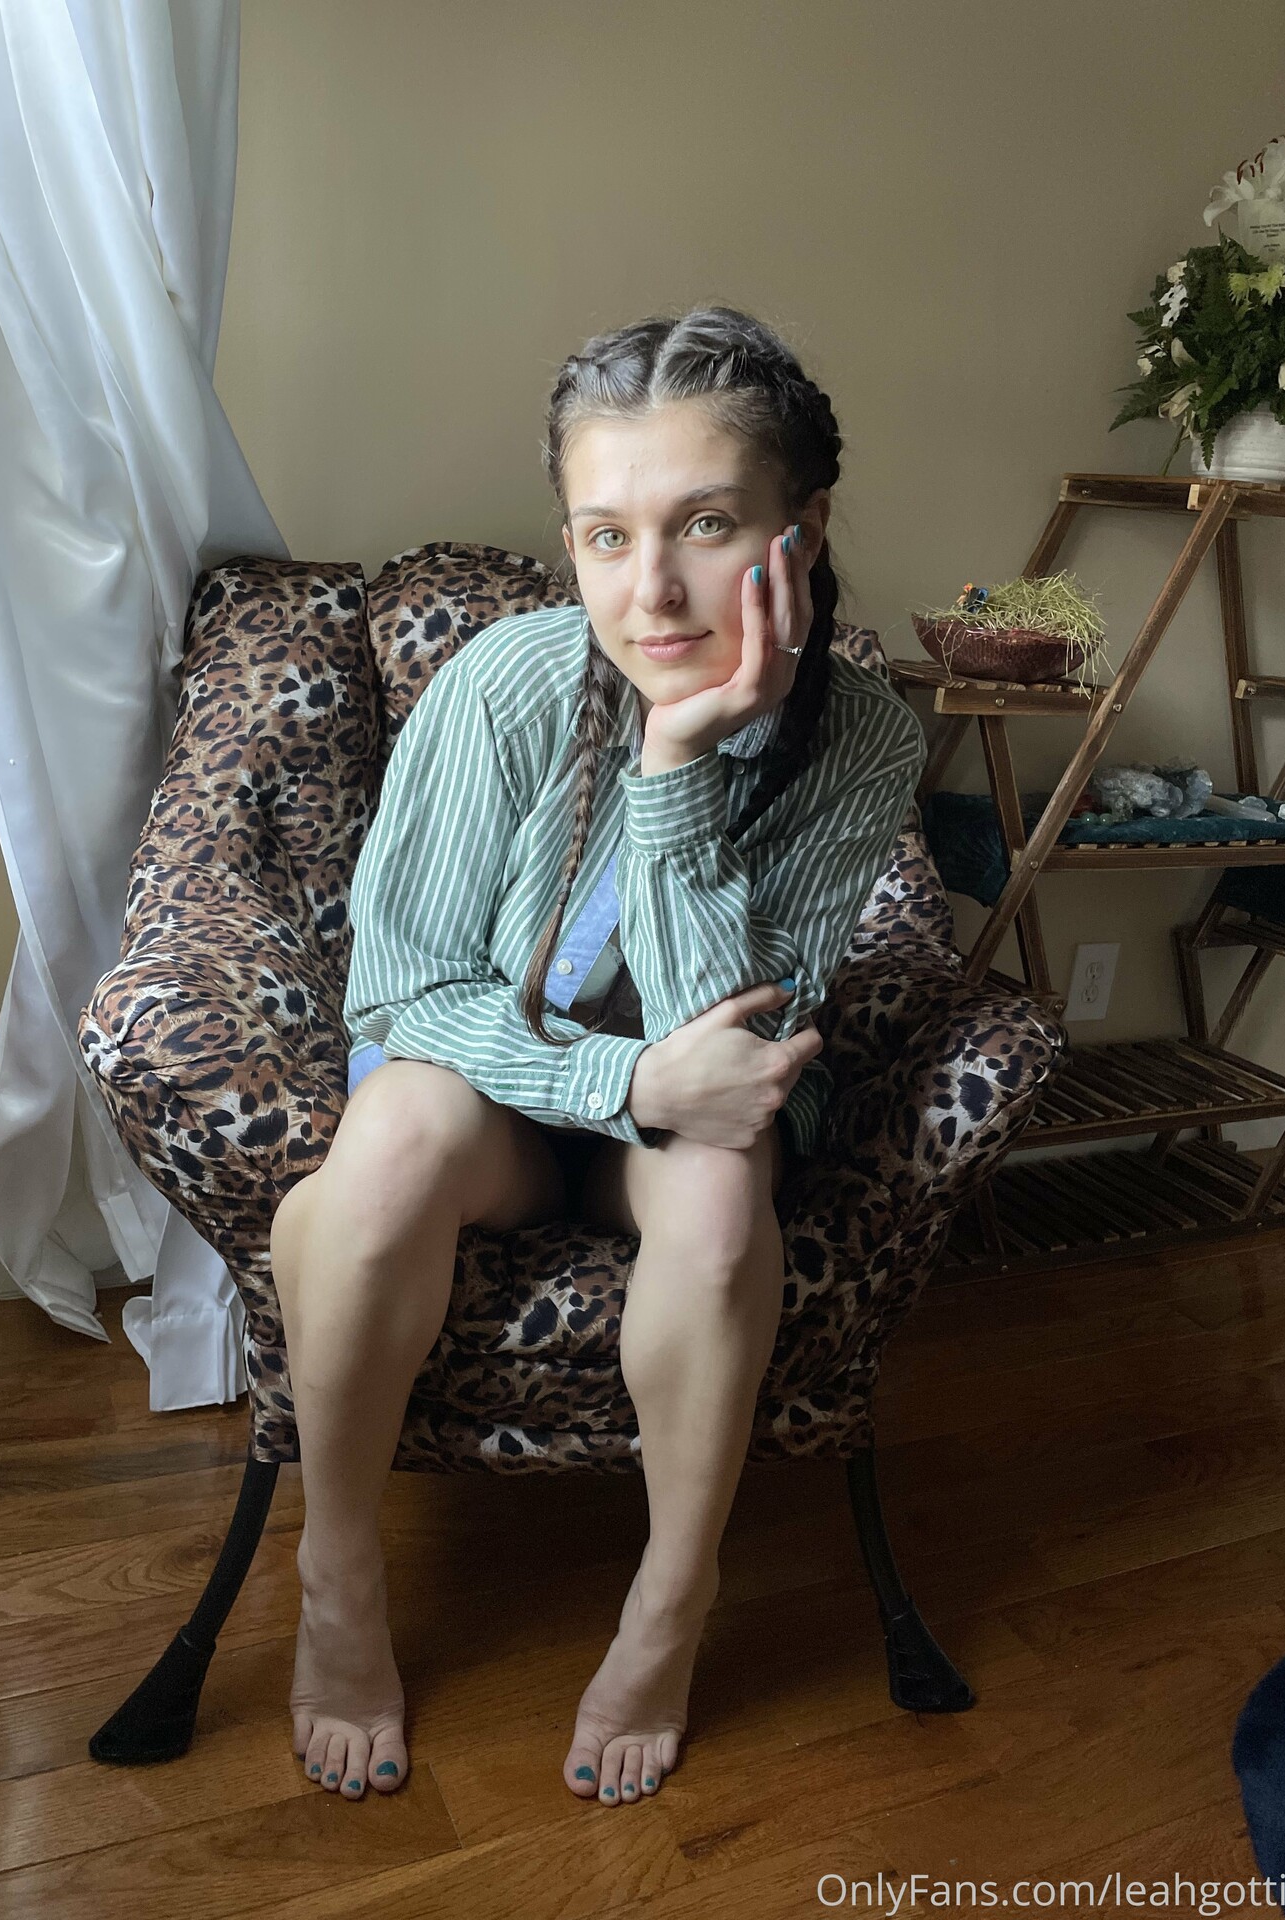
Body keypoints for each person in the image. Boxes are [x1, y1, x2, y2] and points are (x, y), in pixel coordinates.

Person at [268, 304, 927, 1811]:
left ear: (805, 529)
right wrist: (616, 1084)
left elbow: (735, 1035)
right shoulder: (503, 682)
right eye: (608, 536)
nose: (654, 590)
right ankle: (337, 1573)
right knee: (393, 1135)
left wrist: (677, 763)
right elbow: (404, 993)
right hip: (496, 1103)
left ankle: (671, 1602)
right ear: (568, 542)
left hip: (700, 1123)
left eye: (708, 524)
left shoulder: (864, 738)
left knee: (719, 1186)